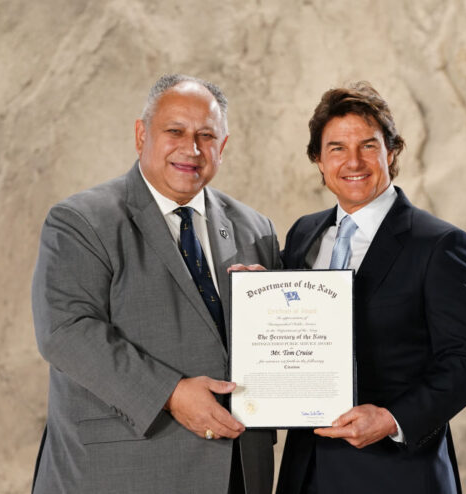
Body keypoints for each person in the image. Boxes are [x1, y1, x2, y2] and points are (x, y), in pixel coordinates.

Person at [31, 74, 280, 494]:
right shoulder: (81, 221)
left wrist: (275, 311)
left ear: (223, 146)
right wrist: (171, 394)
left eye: (206, 135)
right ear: (141, 134)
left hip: (237, 471)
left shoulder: (255, 229)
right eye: (175, 131)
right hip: (124, 471)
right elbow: (65, 332)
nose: (192, 148)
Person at [275, 82, 466, 494]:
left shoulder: (440, 244)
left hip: (398, 473)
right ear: (318, 161)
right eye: (337, 148)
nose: (353, 161)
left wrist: (393, 419)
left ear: (391, 152)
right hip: (307, 470)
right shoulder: (304, 234)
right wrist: (260, 286)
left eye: (368, 145)